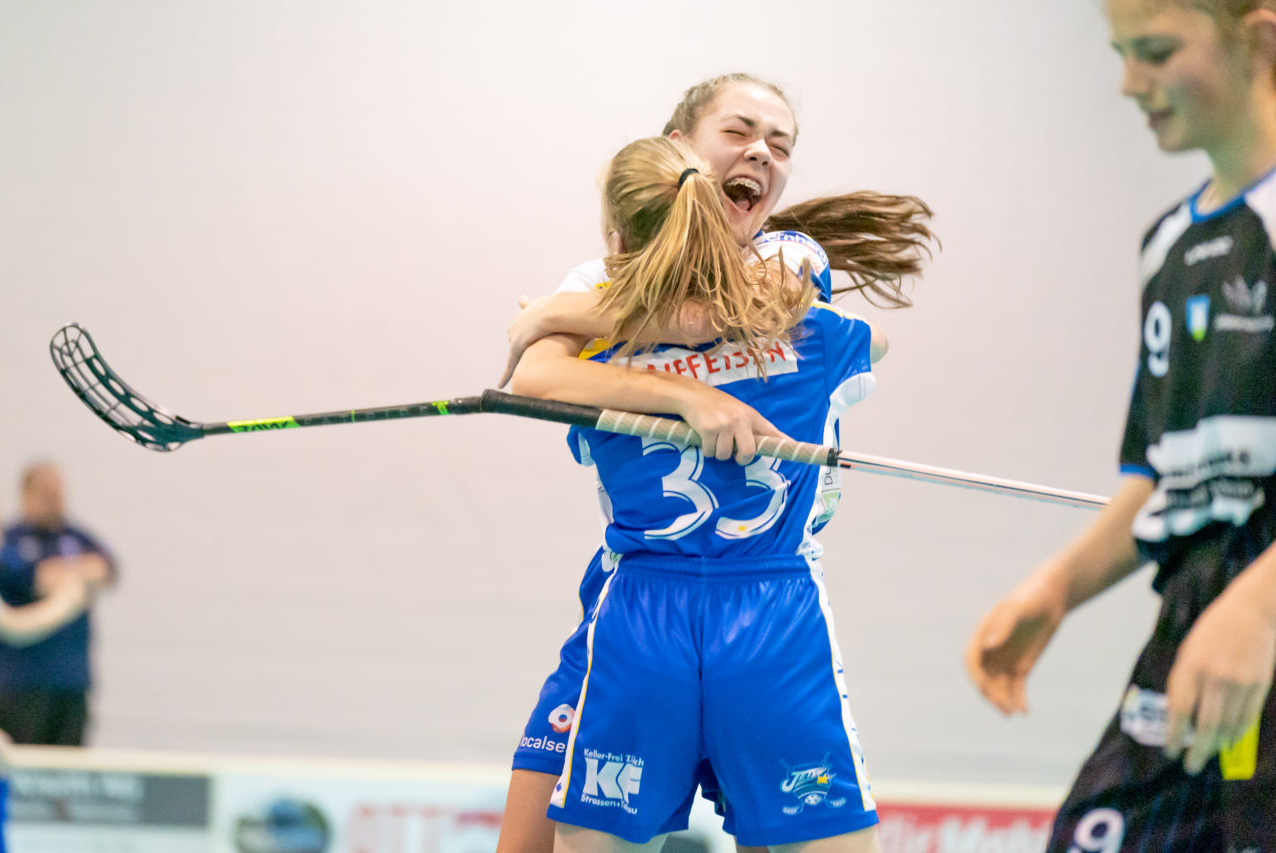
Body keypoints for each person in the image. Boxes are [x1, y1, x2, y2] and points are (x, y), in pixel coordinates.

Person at [495, 74, 933, 853]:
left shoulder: (787, 256)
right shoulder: (599, 280)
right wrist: (683, 400)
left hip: (735, 600)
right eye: (740, 131)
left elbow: (718, 312)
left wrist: (557, 314)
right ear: (678, 146)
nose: (762, 152)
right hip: (633, 596)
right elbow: (534, 379)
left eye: (782, 144)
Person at [964, 1, 1276, 848]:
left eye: (1157, 52)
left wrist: (1261, 610)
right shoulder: (1166, 244)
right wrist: (1055, 589)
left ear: (1258, 34)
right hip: (1196, 611)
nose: (1131, 84)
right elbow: (1160, 476)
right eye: (1122, 55)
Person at [0, 462, 116, 747]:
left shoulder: (76, 535)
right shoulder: (13, 542)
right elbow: (15, 623)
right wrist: (69, 599)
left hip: (70, 685)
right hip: (20, 686)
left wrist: (64, 591)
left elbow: (107, 568)